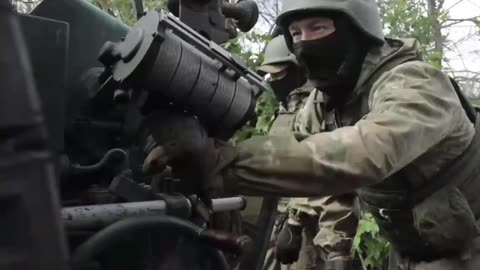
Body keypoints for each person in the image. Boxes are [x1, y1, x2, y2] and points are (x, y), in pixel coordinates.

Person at [143, 0, 480, 269]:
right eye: (295, 33)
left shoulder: (416, 83)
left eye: (318, 28)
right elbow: (302, 154)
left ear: (358, 33)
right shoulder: (324, 103)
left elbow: (364, 153)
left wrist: (219, 163)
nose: (305, 43)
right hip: (410, 247)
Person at [257, 35, 358, 270]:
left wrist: (295, 221)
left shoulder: (319, 107)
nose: (272, 80)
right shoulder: (284, 109)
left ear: (298, 70)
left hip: (310, 223)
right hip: (277, 218)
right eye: (269, 75)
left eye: (278, 73)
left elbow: (322, 169)